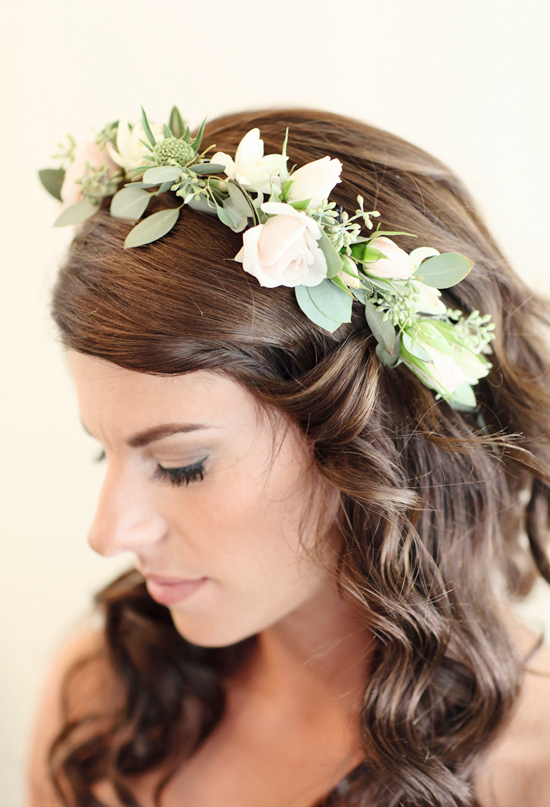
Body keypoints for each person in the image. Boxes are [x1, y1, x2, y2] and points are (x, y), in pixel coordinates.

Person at [29, 107, 550, 807]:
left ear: (369, 442)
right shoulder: (106, 703)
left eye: (183, 464)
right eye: (106, 453)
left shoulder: (534, 770)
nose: (110, 533)